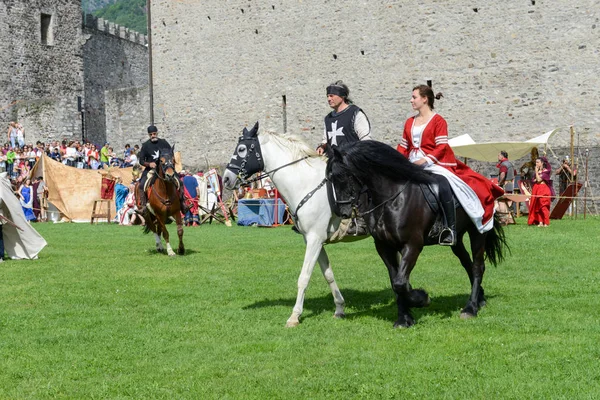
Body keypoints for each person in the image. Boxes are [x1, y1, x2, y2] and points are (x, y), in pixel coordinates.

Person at [397, 84, 503, 245]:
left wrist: (425, 161)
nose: (411, 100)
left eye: (414, 97)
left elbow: (441, 147)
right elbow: (403, 146)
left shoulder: (438, 121)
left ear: (425, 99)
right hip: (411, 163)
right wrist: (394, 161)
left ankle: (450, 229)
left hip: (434, 163)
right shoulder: (409, 122)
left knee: (443, 184)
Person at [136, 125, 188, 214]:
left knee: (180, 182)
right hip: (151, 170)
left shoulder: (163, 142)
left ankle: (182, 203)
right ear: (149, 135)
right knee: (141, 185)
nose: (153, 135)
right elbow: (141, 160)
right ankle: (144, 206)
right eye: (151, 134)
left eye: (154, 133)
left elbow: (171, 154)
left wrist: (170, 163)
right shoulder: (145, 145)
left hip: (166, 168)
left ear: (157, 133)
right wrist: (149, 164)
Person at [316, 80, 371, 157]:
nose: (328, 99)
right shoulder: (328, 118)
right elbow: (326, 140)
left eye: (332, 96)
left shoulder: (355, 114)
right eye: (327, 96)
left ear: (342, 96)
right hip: (333, 162)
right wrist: (322, 147)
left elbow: (366, 141)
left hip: (352, 161)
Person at [528, 157, 554, 227]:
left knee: (543, 206)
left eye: (538, 162)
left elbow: (539, 180)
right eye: (536, 162)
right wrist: (536, 173)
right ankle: (540, 222)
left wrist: (536, 172)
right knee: (537, 207)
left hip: (543, 190)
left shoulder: (546, 171)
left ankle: (546, 222)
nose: (536, 164)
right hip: (537, 190)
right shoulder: (537, 172)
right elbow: (534, 180)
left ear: (542, 163)